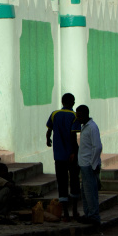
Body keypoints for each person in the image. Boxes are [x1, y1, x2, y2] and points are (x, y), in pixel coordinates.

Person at [45, 93, 81, 221]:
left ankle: (65, 213)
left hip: (58, 155)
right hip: (71, 155)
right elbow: (73, 136)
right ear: (73, 102)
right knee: (74, 181)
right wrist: (73, 152)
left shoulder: (54, 114)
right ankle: (75, 210)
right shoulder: (74, 116)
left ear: (62, 101)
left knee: (62, 182)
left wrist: (48, 139)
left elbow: (49, 130)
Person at [76, 104, 103, 230]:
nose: (77, 117)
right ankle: (88, 214)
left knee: (90, 191)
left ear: (85, 114)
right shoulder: (85, 127)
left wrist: (94, 164)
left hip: (89, 165)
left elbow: (97, 147)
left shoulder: (92, 127)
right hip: (84, 164)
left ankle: (93, 216)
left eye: (79, 115)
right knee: (85, 191)